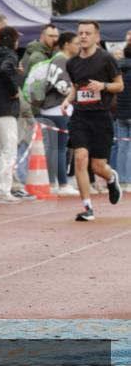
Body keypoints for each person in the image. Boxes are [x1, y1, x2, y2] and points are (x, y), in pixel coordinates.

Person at [61, 21, 123, 221]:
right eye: (80, 33)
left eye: (88, 33)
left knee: (98, 167)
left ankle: (111, 178)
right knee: (80, 157)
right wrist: (66, 101)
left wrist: (103, 86)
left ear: (97, 36)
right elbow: (76, 88)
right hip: (80, 116)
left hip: (101, 117)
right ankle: (87, 207)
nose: (84, 36)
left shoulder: (106, 59)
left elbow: (119, 85)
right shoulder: (72, 62)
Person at [0, 25, 24, 204]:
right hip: (5, 108)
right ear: (12, 39)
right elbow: (5, 70)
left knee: (2, 150)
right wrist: (14, 88)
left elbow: (2, 71)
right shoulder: (10, 55)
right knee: (8, 150)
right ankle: (3, 190)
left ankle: (1, 189)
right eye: (17, 38)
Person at [37, 31, 79, 194]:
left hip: (51, 108)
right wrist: (76, 92)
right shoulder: (61, 60)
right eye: (76, 43)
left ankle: (54, 182)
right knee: (59, 148)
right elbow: (62, 86)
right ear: (67, 44)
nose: (78, 46)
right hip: (57, 108)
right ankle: (61, 183)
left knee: (55, 147)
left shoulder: (57, 59)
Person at [113, 44, 131, 192]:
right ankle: (129, 180)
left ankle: (122, 180)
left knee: (122, 147)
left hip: (120, 113)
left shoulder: (117, 69)